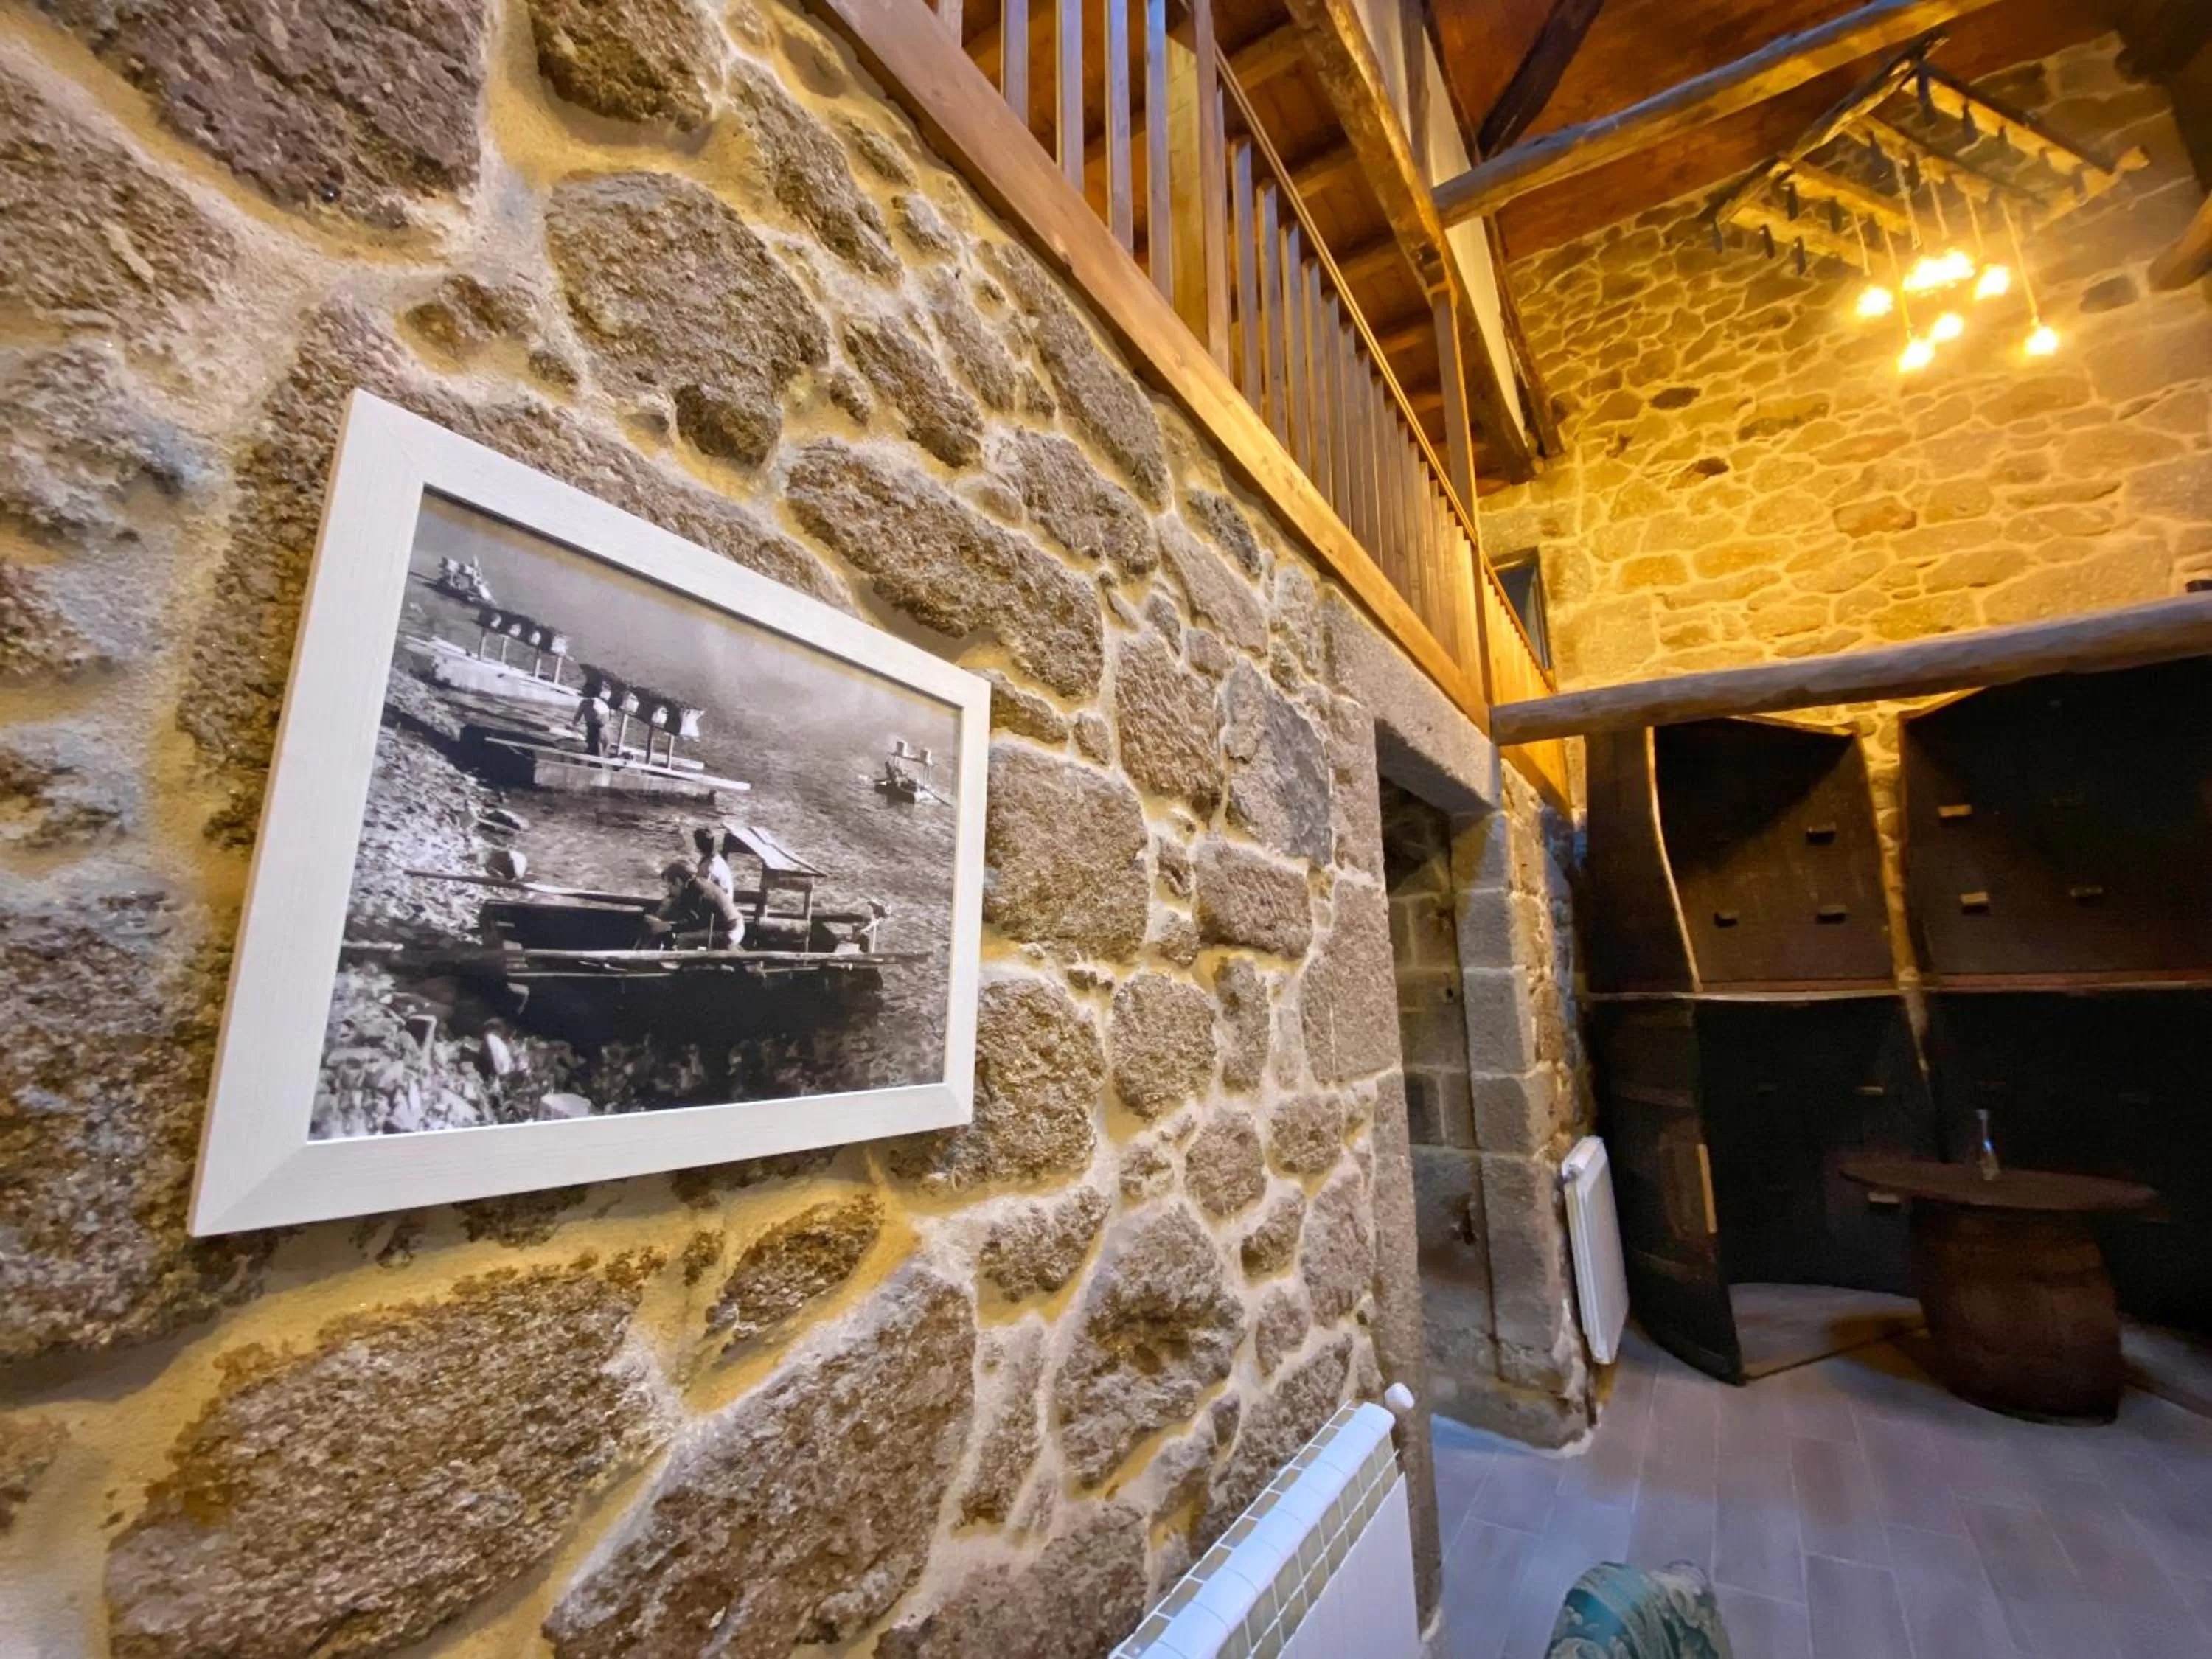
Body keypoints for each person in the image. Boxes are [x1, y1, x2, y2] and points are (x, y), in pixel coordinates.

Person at [640, 860, 745, 949]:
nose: (669, 892)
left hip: (730, 931)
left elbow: (699, 924)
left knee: (683, 939)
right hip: (722, 927)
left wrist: (669, 927)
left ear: (678, 881)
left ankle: (688, 968)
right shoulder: (692, 887)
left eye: (670, 888)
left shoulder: (700, 893)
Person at [692, 827, 734, 896]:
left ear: (697, 846)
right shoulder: (719, 860)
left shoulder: (708, 867)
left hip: (719, 903)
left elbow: (701, 892)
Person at [574, 686, 609, 757]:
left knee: (593, 744)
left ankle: (592, 758)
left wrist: (575, 723)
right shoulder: (602, 703)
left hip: (595, 725)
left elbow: (577, 717)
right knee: (601, 745)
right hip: (603, 727)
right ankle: (599, 758)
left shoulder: (586, 702)